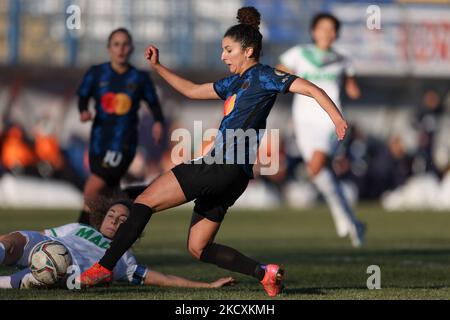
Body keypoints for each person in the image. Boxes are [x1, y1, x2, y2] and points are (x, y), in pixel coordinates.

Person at [80, 7, 348, 297]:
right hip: (235, 175)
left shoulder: (266, 76)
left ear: (247, 51)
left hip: (221, 165)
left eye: (228, 49)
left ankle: (103, 268)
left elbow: (312, 89)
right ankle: (265, 273)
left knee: (144, 201)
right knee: (198, 247)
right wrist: (159, 67)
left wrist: (337, 119)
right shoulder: (234, 82)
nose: (223, 56)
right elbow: (193, 91)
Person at [0, 198, 234, 290]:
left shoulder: (124, 258)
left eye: (123, 220)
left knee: (35, 279)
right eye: (111, 215)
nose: (114, 220)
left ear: (131, 228)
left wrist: (208, 287)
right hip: (46, 246)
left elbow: (164, 279)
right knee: (15, 240)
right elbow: (41, 235)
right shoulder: (78, 228)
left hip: (64, 271)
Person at [277, 13, 365, 247]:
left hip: (330, 120)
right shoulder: (299, 53)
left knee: (315, 165)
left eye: (331, 29)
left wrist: (354, 84)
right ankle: (352, 220)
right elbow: (277, 73)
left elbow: (353, 89)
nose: (327, 32)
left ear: (336, 33)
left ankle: (342, 216)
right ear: (313, 31)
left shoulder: (343, 60)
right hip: (303, 122)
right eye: (322, 28)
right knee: (319, 173)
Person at [77, 28, 165, 225]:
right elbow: (83, 96)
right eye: (116, 44)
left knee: (93, 186)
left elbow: (153, 104)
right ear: (109, 48)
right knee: (110, 191)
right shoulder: (96, 73)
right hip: (99, 141)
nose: (121, 49)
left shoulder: (139, 78)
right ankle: (116, 228)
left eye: (125, 44)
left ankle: (79, 229)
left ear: (131, 48)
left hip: (122, 142)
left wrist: (158, 122)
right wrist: (83, 110)